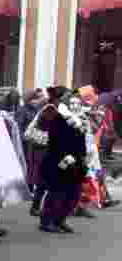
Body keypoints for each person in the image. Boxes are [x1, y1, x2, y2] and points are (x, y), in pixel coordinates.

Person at [37, 86, 89, 234]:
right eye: (70, 101)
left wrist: (82, 156)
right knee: (57, 192)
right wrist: (65, 157)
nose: (74, 104)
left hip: (76, 160)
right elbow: (54, 140)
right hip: (59, 160)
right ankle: (46, 221)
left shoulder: (79, 118)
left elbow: (81, 140)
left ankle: (60, 220)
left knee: (73, 194)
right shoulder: (57, 117)